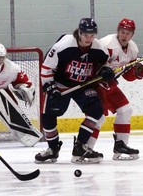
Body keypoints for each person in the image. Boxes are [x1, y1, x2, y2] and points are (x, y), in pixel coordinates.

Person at [35, 18, 115, 164]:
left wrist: (106, 72)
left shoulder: (99, 48)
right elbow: (47, 68)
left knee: (96, 110)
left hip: (83, 85)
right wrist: (50, 87)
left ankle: (80, 147)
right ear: (79, 32)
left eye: (92, 35)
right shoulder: (64, 45)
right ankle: (52, 149)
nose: (89, 38)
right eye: (85, 34)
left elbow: (105, 64)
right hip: (60, 83)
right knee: (48, 117)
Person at [87, 18, 143, 160]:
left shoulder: (133, 48)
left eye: (128, 33)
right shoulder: (107, 44)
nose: (124, 35)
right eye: (122, 32)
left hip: (110, 84)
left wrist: (137, 72)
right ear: (118, 31)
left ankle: (121, 144)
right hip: (95, 83)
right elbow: (91, 63)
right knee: (98, 116)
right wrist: (102, 70)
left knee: (126, 110)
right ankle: (85, 148)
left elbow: (128, 75)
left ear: (132, 35)